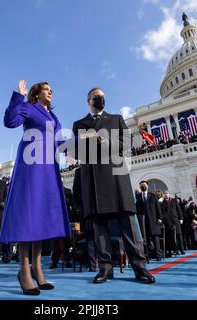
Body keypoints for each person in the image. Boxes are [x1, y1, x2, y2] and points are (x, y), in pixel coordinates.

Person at [71, 87, 155, 284]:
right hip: (92, 177)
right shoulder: (79, 124)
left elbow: (125, 143)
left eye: (103, 97)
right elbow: (77, 150)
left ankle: (139, 267)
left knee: (128, 223)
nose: (101, 99)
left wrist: (102, 140)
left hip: (116, 175)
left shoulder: (116, 119)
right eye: (97, 97)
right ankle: (105, 268)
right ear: (88, 101)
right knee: (99, 226)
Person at [0, 81, 71, 295]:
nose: (51, 92)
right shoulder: (29, 107)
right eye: (46, 89)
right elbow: (10, 122)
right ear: (36, 93)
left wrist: (80, 144)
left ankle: (38, 269)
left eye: (52, 90)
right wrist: (18, 97)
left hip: (49, 167)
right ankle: (24, 270)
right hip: (30, 166)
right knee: (28, 215)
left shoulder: (54, 117)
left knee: (40, 216)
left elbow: (59, 142)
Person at [135, 181, 164, 261]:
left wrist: (160, 218)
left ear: (147, 186)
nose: (143, 186)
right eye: (141, 185)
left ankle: (158, 255)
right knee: (146, 238)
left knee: (155, 238)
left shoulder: (153, 195)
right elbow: (137, 208)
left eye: (144, 185)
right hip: (143, 221)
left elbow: (158, 207)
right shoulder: (138, 196)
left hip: (153, 220)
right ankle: (149, 255)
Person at [160, 190, 184, 257]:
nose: (166, 194)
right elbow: (162, 212)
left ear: (169, 194)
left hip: (175, 220)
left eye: (167, 193)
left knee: (179, 235)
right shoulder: (162, 202)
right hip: (168, 222)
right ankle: (174, 250)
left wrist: (181, 218)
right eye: (165, 194)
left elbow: (178, 210)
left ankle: (181, 249)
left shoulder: (174, 200)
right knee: (171, 236)